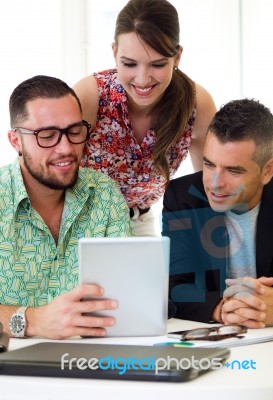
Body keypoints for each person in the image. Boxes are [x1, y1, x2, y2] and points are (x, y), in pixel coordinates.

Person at [0, 75, 133, 340]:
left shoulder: (104, 194)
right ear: (16, 141)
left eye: (74, 132)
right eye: (47, 136)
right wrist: (32, 321)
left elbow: (128, 294)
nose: (66, 148)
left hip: (94, 360)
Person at [73, 0, 216, 236]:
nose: (142, 79)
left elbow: (207, 187)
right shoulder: (90, 96)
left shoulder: (197, 104)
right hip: (83, 221)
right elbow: (53, 172)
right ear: (114, 52)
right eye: (129, 64)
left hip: (141, 221)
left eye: (158, 64)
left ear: (177, 57)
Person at [162, 98, 273, 328]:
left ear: (267, 171)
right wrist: (221, 309)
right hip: (218, 336)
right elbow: (175, 285)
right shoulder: (183, 197)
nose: (214, 183)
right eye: (209, 164)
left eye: (233, 170)